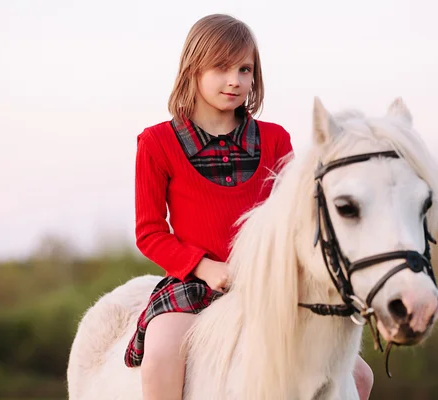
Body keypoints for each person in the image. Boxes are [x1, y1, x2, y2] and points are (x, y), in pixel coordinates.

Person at [123, 13, 374, 400]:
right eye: (221, 67)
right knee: (160, 358)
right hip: (193, 286)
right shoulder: (157, 143)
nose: (235, 80)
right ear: (193, 68)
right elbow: (150, 232)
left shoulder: (274, 139)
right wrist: (206, 268)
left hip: (268, 288)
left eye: (245, 69)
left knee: (358, 376)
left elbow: (297, 219)